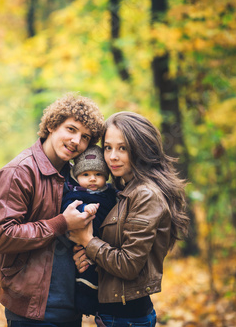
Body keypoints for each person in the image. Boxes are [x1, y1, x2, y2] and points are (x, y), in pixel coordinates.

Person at [0, 93, 105, 326]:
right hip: (32, 309)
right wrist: (61, 223)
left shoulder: (75, 176)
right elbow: (1, 237)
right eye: (70, 129)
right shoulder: (19, 172)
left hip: (71, 305)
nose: (76, 141)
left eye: (85, 137)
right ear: (52, 125)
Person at [68, 112, 190, 327]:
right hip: (114, 313)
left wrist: (87, 242)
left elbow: (128, 265)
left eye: (122, 148)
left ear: (141, 148)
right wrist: (85, 255)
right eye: (108, 147)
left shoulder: (145, 195)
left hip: (127, 317)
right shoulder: (123, 190)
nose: (112, 157)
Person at [60, 145, 117, 316]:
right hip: (84, 244)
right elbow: (67, 211)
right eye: (86, 175)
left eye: (98, 174)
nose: (92, 179)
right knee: (86, 275)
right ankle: (85, 307)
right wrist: (84, 208)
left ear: (105, 176)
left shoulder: (110, 193)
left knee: (103, 279)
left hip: (106, 243)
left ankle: (99, 307)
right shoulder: (76, 194)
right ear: (77, 176)